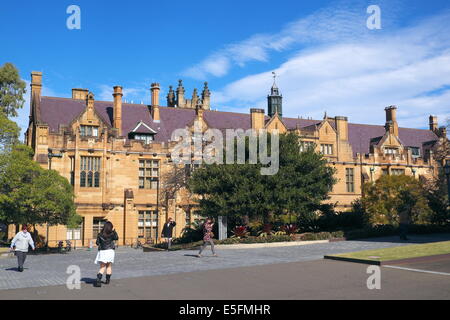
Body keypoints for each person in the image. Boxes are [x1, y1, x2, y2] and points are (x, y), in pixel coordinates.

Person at [94, 221, 118, 287]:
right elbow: (116, 238)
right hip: (110, 251)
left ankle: (98, 279)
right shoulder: (112, 234)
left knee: (102, 267)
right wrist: (114, 231)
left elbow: (97, 243)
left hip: (103, 251)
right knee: (109, 266)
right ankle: (107, 281)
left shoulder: (100, 234)